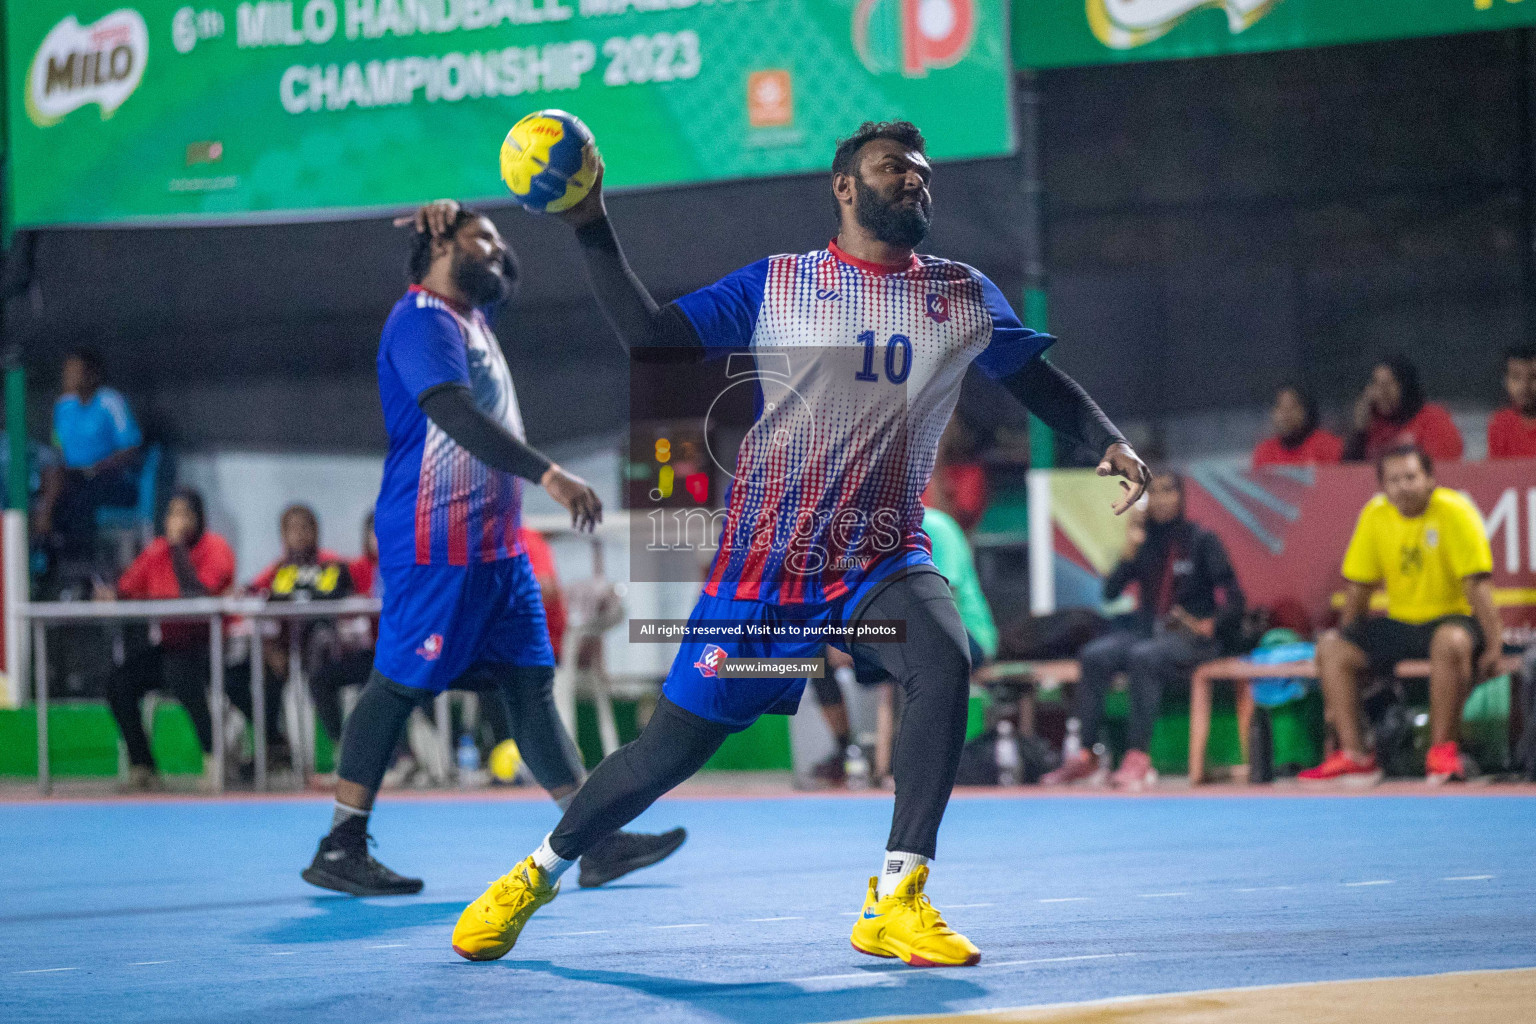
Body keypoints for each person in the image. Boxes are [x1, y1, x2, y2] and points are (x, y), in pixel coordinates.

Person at [448, 120, 1148, 967]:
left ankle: (896, 896)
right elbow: (655, 342)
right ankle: (538, 872)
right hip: (765, 571)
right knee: (666, 754)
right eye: (895, 169)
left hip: (880, 559)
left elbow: (1034, 378)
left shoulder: (962, 296)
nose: (915, 180)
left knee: (944, 657)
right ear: (845, 188)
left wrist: (1104, 438)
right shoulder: (781, 283)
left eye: (923, 171)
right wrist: (591, 223)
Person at [301, 201, 684, 898]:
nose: (500, 251)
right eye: (484, 238)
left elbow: (504, 281)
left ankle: (591, 841)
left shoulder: (472, 319)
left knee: (530, 689)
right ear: (440, 246)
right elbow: (451, 411)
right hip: (437, 540)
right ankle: (341, 842)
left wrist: (481, 241)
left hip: (497, 549)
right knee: (399, 685)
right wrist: (550, 473)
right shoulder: (419, 320)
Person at [1300, 444, 1500, 785]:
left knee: (1449, 641)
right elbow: (1358, 592)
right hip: (1402, 623)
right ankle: (1356, 756)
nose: (1403, 486)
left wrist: (1494, 645)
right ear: (1382, 487)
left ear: (1430, 480)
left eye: (1411, 477)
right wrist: (1345, 648)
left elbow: (1478, 587)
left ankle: (1442, 754)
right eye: (1393, 480)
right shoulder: (1375, 516)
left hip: (1452, 619)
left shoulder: (1455, 511)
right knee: (1333, 648)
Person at [1042, 470, 1244, 791]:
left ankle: (1138, 757)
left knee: (1143, 657)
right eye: (1156, 492)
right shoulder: (1144, 543)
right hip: (1148, 632)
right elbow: (1109, 593)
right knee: (1094, 655)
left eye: (1169, 491)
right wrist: (1129, 549)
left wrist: (1209, 624)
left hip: (1190, 639)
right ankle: (1086, 755)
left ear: (1181, 497)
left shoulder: (1201, 541)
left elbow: (1235, 600)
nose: (1163, 499)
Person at [808, 503, 998, 787]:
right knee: (817, 653)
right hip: (905, 633)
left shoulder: (937, 527)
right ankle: (846, 750)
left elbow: (940, 605)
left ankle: (917, 762)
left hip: (963, 634)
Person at [100, 488, 236, 791]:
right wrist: (111, 593)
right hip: (171, 646)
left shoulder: (215, 548)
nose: (177, 521)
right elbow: (128, 587)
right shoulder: (156, 550)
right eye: (172, 513)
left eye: (185, 513)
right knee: (119, 682)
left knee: (180, 671)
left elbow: (196, 592)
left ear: (199, 518)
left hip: (209, 649)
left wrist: (177, 548)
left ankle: (214, 757)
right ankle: (143, 765)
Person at [49, 350, 143, 556]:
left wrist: (95, 468)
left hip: (111, 481)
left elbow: (131, 449)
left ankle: (83, 565)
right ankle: (53, 563)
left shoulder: (111, 402)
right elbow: (58, 450)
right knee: (52, 498)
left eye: (74, 372)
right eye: (66, 372)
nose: (68, 378)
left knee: (80, 499)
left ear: (91, 375)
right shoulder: (63, 407)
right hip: (74, 480)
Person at [1343, 356, 1462, 463]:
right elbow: (1349, 473)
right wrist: (1360, 432)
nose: (1379, 393)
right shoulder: (1373, 425)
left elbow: (1442, 467)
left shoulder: (1433, 419)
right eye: (1375, 385)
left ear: (1405, 387)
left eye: (1387, 386)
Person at [1251, 385, 1342, 468]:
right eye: (1280, 407)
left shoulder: (1328, 445)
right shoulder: (1264, 452)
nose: (1286, 414)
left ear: (1306, 412)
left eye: (1292, 407)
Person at [1487, 345, 1536, 459]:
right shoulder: (1501, 423)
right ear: (1505, 381)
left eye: (1533, 377)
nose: (1524, 386)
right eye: (1516, 377)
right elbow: (1495, 472)